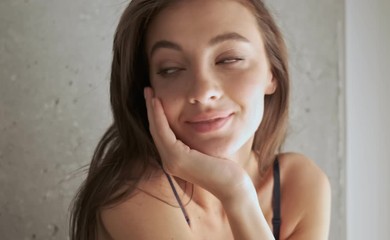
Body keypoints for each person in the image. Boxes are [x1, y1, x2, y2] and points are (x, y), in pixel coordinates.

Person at [70, 0, 331, 239]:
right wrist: (235, 192)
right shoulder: (134, 195)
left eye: (229, 59)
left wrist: (236, 194)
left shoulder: (298, 184)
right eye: (171, 69)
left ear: (272, 73)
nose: (203, 92)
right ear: (148, 90)